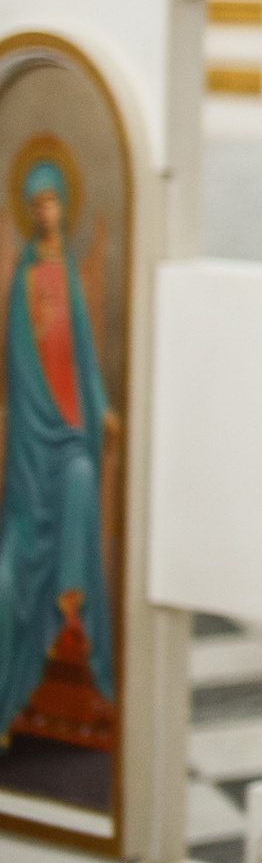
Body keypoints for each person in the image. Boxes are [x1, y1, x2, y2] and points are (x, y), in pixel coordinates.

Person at [1, 154, 117, 745]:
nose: (48, 211)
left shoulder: (67, 271)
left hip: (72, 430)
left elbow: (84, 357)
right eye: (38, 204)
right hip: (32, 437)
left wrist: (98, 409)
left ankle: (71, 602)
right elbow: (23, 367)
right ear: (29, 212)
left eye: (54, 201)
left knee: (79, 477)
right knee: (10, 567)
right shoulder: (22, 279)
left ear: (63, 206)